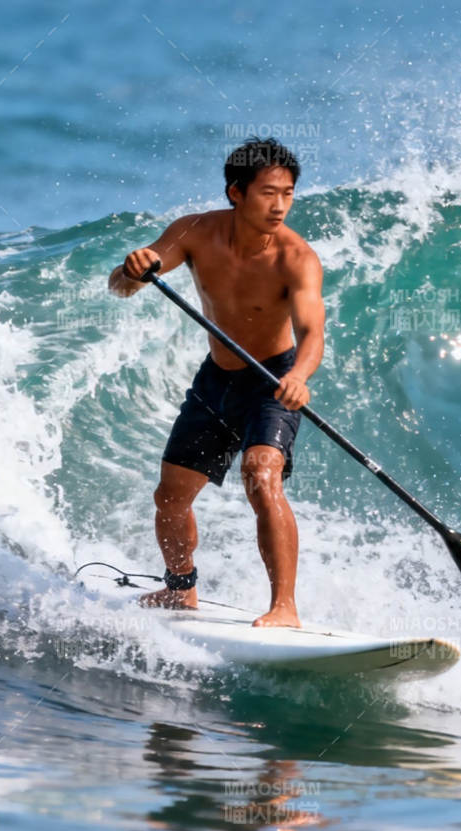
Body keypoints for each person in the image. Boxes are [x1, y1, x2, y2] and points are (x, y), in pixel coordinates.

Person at [108, 137, 324, 628]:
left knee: (262, 476)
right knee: (170, 497)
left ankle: (284, 608)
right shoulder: (195, 232)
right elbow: (122, 286)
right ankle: (180, 589)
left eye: (288, 194)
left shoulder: (297, 258)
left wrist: (298, 376)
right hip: (216, 380)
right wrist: (132, 270)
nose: (280, 206)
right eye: (268, 193)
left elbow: (313, 333)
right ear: (236, 193)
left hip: (272, 380)